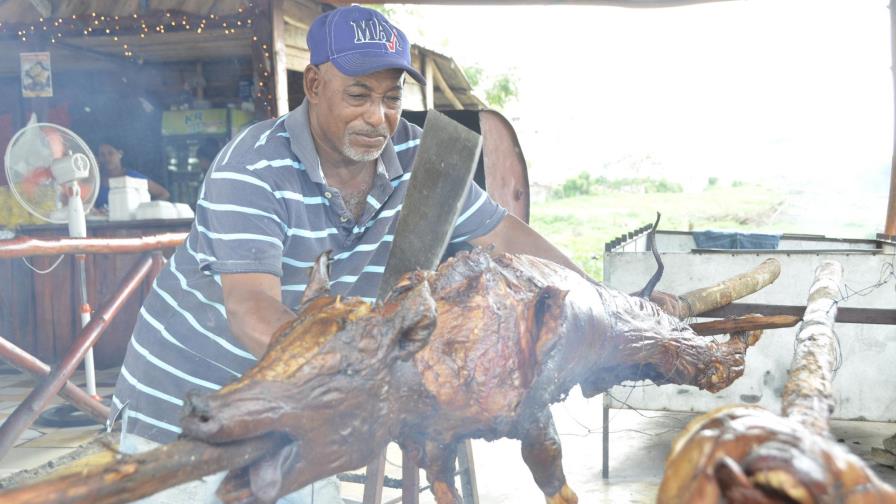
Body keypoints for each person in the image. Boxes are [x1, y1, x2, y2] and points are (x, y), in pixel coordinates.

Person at [108, 6, 591, 503]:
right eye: (358, 95)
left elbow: (504, 234)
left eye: (390, 98)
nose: (376, 117)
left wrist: (601, 300)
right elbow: (251, 309)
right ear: (313, 85)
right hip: (190, 408)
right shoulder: (253, 166)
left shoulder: (420, 157)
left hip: (303, 412)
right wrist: (364, 375)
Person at [94, 142, 170, 209]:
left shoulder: (133, 177)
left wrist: (146, 208)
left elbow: (164, 194)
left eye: (110, 153)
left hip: (131, 224)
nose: (107, 158)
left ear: (120, 154)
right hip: (102, 224)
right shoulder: (96, 181)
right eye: (102, 155)